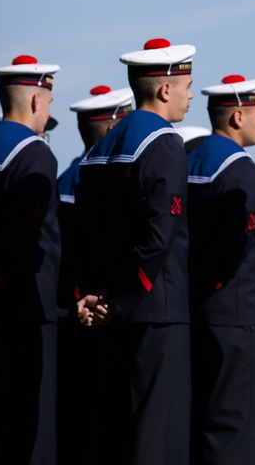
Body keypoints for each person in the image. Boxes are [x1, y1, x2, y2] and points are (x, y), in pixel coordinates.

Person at [74, 37, 196, 465]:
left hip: (112, 310)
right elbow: (159, 235)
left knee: (115, 433)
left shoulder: (97, 150)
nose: (190, 94)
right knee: (158, 438)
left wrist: (96, 294)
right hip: (154, 310)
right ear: (165, 89)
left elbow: (84, 233)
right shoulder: (164, 142)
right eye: (186, 85)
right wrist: (124, 298)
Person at [0, 54, 61, 464]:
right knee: (28, 435)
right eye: (49, 102)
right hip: (22, 316)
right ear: (36, 101)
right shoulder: (34, 155)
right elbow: (20, 245)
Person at [187, 74, 255, 465]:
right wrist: (208, 285)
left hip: (197, 310)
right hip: (235, 312)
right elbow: (232, 247)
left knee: (203, 418)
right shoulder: (240, 169)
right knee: (237, 426)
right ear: (238, 117)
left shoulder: (191, 159)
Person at [55, 84, 134, 464]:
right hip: (104, 312)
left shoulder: (71, 176)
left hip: (77, 309)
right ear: (112, 127)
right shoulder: (103, 178)